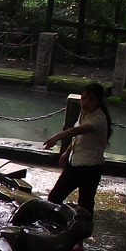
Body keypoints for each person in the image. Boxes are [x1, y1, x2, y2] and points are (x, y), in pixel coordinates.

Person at [43, 81, 112, 216]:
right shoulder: (83, 113)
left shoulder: (98, 119)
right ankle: (55, 224)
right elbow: (78, 138)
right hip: (74, 164)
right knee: (54, 197)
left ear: (98, 102)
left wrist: (56, 137)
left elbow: (76, 131)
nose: (85, 103)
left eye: (91, 100)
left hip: (90, 167)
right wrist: (67, 152)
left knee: (85, 204)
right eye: (83, 98)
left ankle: (83, 231)